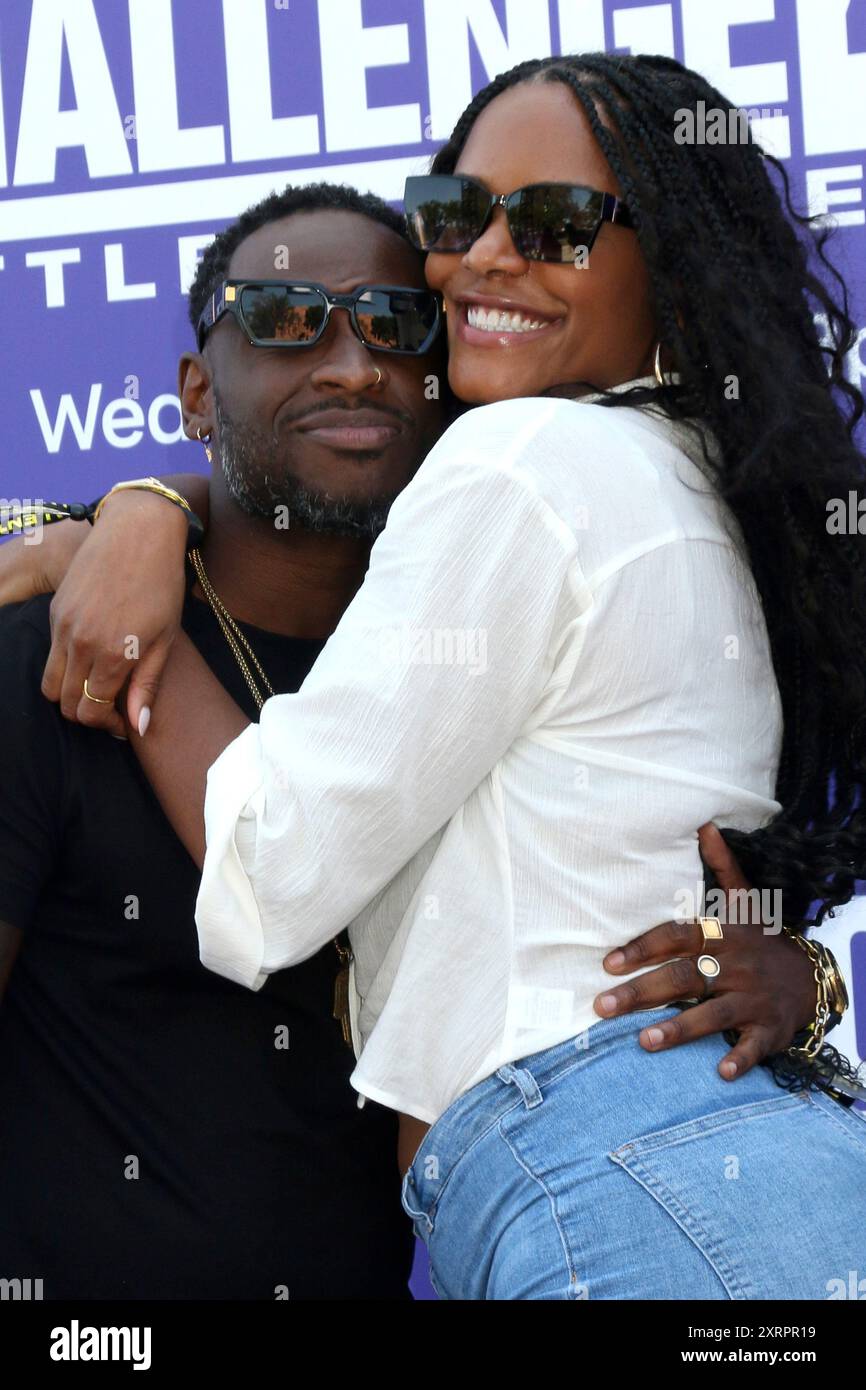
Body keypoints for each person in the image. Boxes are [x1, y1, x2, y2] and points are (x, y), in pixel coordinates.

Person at [9, 43, 866, 1297]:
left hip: (626, 1184)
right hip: (721, 1178)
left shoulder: (520, 464)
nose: (488, 256)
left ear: (670, 266)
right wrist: (143, 506)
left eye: (561, 222)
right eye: (457, 215)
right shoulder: (678, 477)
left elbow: (272, 869)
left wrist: (120, 598)